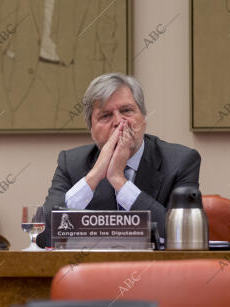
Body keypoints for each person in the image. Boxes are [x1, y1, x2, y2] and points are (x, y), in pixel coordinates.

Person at [37, 73, 201, 248]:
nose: (119, 122)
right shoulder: (71, 163)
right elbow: (42, 236)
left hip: (155, 272)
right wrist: (93, 178)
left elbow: (181, 237)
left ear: (143, 120)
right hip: (92, 271)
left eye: (126, 111)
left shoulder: (181, 161)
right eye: (106, 115)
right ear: (91, 131)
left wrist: (118, 179)